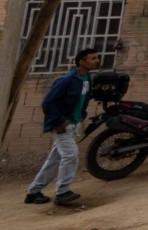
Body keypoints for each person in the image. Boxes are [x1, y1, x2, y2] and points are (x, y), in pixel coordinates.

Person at [25, 48, 99, 206]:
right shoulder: (66, 80)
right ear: (81, 61)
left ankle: (33, 192)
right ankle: (62, 192)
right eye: (93, 58)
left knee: (55, 159)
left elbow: (83, 99)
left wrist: (81, 115)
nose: (97, 61)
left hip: (73, 124)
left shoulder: (87, 78)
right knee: (71, 155)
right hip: (62, 125)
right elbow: (47, 103)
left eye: (96, 58)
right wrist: (60, 121)